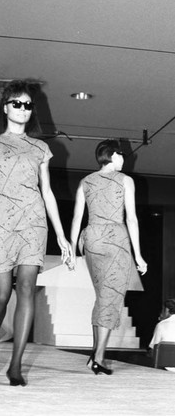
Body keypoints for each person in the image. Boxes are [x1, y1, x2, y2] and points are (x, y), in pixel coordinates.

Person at [0, 79, 70, 386]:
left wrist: (61, 234)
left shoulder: (40, 147)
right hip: (0, 222)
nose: (24, 109)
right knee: (1, 294)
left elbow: (48, 192)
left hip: (33, 220)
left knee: (26, 287)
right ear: (5, 107)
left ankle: (15, 364)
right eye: (18, 103)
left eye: (29, 105)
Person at [70, 139, 147, 375]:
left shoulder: (85, 182)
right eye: (122, 156)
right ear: (113, 156)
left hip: (90, 237)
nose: (124, 160)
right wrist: (139, 255)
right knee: (110, 299)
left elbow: (76, 218)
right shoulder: (125, 181)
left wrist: (72, 250)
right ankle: (99, 358)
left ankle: (96, 353)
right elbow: (131, 219)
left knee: (102, 297)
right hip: (115, 238)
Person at [149, 298, 175, 371]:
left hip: (165, 367)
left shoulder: (161, 325)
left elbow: (154, 348)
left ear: (167, 310)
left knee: (135, 358)